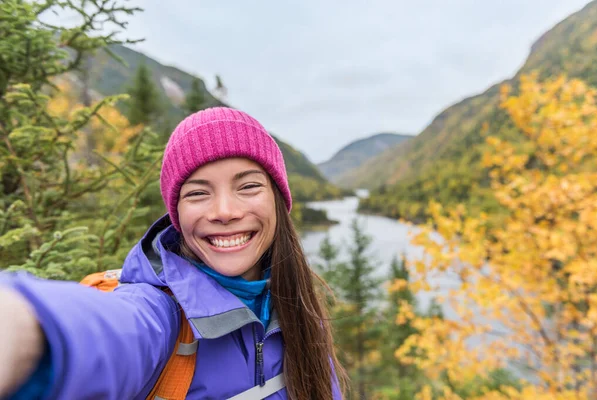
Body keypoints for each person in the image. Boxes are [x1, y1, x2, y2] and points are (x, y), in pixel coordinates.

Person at [0, 107, 346, 399]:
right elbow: (103, 333)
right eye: (198, 193)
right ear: (176, 214)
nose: (224, 211)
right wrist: (29, 329)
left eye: (248, 186)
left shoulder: (298, 310)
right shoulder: (161, 315)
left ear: (278, 200)